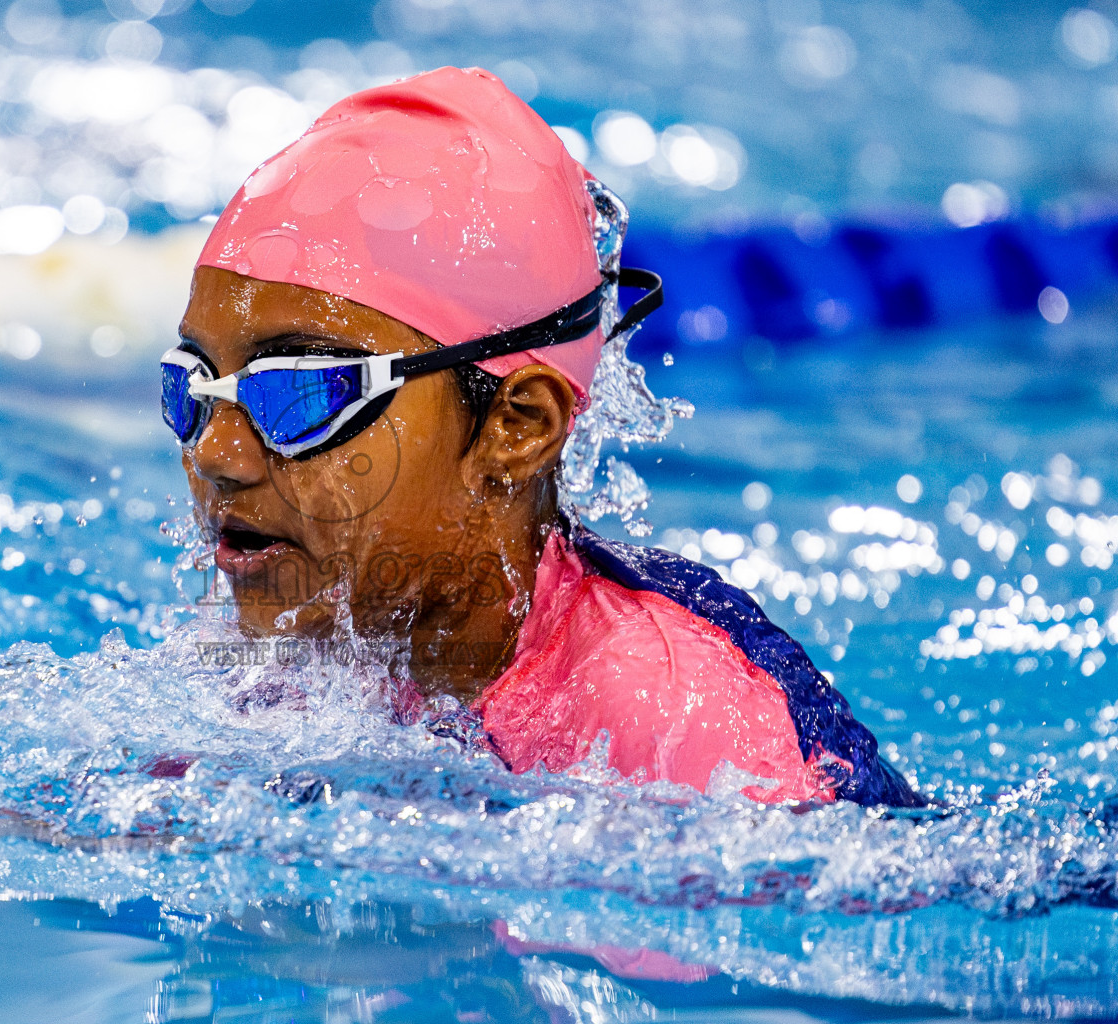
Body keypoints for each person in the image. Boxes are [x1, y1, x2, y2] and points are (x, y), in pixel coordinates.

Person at [163, 66, 920, 807]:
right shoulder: (298, 652)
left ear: (515, 427)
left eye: (299, 391)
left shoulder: (668, 716)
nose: (217, 455)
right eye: (192, 387)